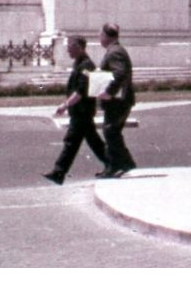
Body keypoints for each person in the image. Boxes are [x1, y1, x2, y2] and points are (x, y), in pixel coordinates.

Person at [43, 36, 106, 185]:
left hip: (82, 112)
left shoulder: (86, 65)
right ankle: (114, 163)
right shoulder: (80, 64)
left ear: (79, 47)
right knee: (93, 142)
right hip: (80, 112)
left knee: (71, 142)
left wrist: (65, 105)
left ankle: (59, 172)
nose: (68, 50)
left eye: (70, 47)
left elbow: (80, 91)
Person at [96, 23, 137, 178]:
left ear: (107, 36)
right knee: (112, 132)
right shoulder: (115, 51)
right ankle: (123, 163)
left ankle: (117, 165)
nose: (99, 38)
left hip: (118, 101)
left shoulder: (114, 52)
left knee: (110, 131)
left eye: (100, 35)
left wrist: (108, 92)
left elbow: (119, 73)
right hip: (119, 101)